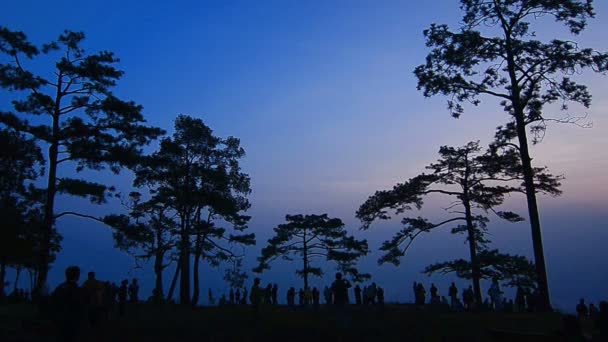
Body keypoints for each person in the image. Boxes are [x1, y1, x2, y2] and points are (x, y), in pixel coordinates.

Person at [51, 266, 84, 342]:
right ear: (76, 276)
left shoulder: (60, 287)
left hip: (60, 321)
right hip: (71, 322)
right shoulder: (76, 289)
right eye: (78, 274)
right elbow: (79, 305)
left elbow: (53, 302)